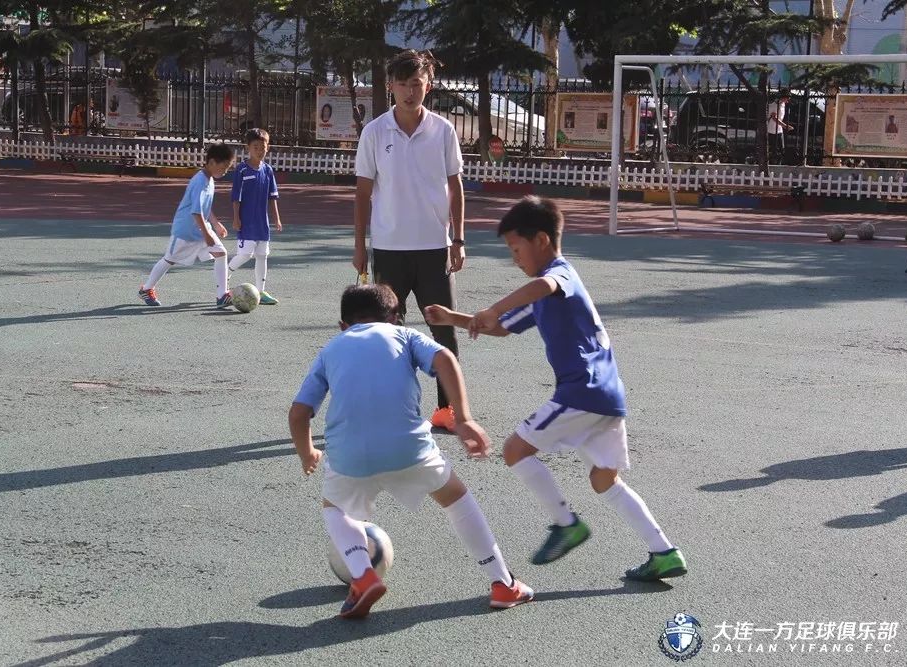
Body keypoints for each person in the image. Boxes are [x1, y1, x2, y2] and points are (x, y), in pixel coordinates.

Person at [424, 196, 688, 582]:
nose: (514, 257)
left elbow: (540, 287)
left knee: (514, 450)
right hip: (607, 395)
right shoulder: (544, 296)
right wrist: (456, 318)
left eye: (516, 248)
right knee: (604, 480)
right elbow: (501, 327)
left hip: (581, 391)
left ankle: (566, 524)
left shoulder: (559, 275)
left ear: (542, 241)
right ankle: (664, 552)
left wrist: (493, 307)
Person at [289, 284, 534, 619]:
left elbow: (299, 412)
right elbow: (446, 358)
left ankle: (362, 576)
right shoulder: (404, 336)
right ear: (395, 317)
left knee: (336, 509)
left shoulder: (331, 349)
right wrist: (463, 418)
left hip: (349, 455)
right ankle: (503, 583)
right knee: (457, 501)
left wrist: (307, 453)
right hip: (410, 449)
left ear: (343, 326)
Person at [353, 49, 466, 433]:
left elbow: (456, 185)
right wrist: (359, 246)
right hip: (389, 249)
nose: (409, 91)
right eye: (402, 84)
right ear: (390, 86)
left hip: (435, 248)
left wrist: (459, 238)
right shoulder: (374, 132)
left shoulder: (444, 130)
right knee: (387, 334)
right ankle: (390, 408)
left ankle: (447, 411)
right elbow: (363, 192)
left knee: (444, 331)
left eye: (416, 84)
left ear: (428, 86)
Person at [138, 143, 235, 309]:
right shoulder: (200, 181)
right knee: (169, 259)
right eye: (224, 166)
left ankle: (222, 295)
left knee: (221, 253)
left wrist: (215, 223)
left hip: (201, 228)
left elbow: (205, 207)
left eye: (228, 167)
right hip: (185, 231)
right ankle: (146, 289)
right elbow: (196, 211)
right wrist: (207, 235)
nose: (225, 171)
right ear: (211, 162)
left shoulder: (209, 179)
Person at [229, 128, 282, 305]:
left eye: (263, 147)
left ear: (268, 147)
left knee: (262, 256)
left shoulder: (268, 170)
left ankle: (261, 291)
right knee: (245, 255)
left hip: (262, 223)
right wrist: (236, 218)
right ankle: (225, 276)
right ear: (248, 148)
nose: (260, 150)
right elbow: (236, 197)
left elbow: (272, 197)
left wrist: (276, 218)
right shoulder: (242, 170)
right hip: (246, 222)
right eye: (256, 147)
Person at [767, 89, 793, 164]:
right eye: (787, 98)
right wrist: (785, 126)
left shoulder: (783, 104)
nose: (788, 100)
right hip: (772, 130)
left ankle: (779, 164)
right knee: (774, 151)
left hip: (779, 130)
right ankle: (773, 165)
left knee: (781, 150)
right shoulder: (774, 105)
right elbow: (774, 118)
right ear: (783, 97)